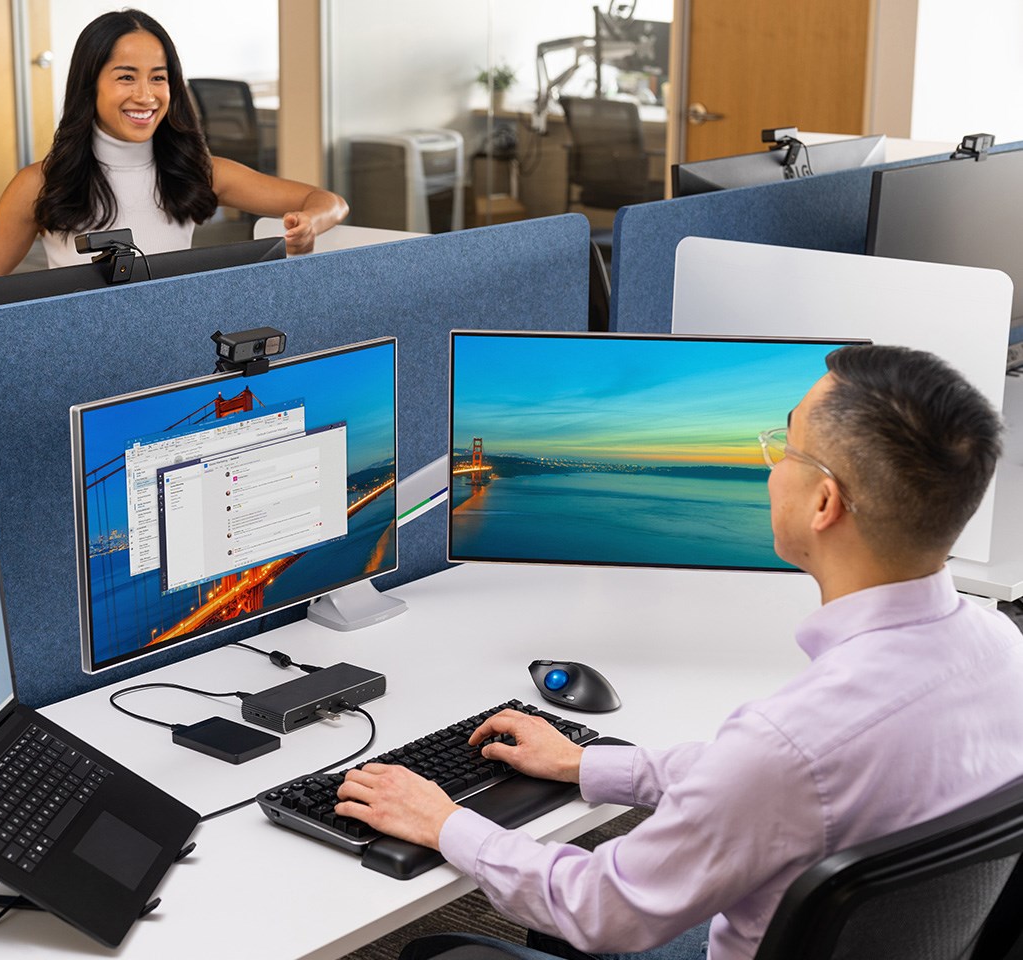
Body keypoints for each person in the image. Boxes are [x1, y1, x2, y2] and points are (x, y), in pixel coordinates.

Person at [334, 344, 1023, 960]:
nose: (771, 463)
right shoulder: (1001, 648)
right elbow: (777, 785)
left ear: (824, 503)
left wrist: (445, 821)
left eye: (786, 445)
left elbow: (604, 911)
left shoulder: (789, 744)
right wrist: (587, 763)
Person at [0, 9, 347, 280]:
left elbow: (330, 201)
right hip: (80, 360)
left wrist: (311, 221)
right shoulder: (39, 183)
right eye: (126, 78)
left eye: (158, 78)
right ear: (89, 84)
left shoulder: (202, 171)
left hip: (172, 350)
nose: (145, 96)